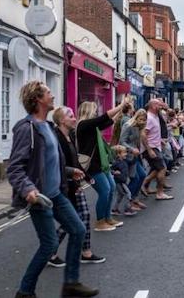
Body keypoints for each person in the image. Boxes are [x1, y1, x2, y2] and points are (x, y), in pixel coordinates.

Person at [7, 81, 98, 298]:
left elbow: (49, 161)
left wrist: (68, 171)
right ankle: (25, 292)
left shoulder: (48, 127)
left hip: (57, 194)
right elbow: (15, 168)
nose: (52, 95)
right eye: (48, 92)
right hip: (40, 198)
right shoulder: (26, 128)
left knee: (77, 229)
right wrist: (28, 190)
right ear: (38, 99)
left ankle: (71, 283)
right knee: (49, 245)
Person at [48, 106, 106, 268]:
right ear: (61, 121)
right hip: (63, 186)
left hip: (73, 184)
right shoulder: (57, 139)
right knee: (71, 221)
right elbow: (58, 165)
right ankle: (50, 252)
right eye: (70, 116)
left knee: (84, 215)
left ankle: (85, 252)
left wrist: (85, 178)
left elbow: (75, 161)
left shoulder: (69, 136)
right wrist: (72, 177)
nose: (74, 118)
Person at [76, 98, 128, 231]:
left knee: (110, 189)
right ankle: (100, 222)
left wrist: (121, 109)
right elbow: (104, 117)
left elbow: (109, 121)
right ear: (88, 111)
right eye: (94, 111)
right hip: (91, 166)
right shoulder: (83, 125)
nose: (96, 113)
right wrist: (120, 105)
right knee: (104, 191)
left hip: (101, 164)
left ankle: (107, 217)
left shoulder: (92, 126)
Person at [142, 99, 174, 200]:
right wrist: (149, 149)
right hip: (151, 148)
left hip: (156, 146)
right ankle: (159, 193)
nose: (160, 107)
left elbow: (152, 132)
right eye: (158, 105)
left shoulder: (155, 116)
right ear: (153, 106)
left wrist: (160, 140)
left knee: (155, 168)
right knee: (162, 168)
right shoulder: (150, 118)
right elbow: (143, 134)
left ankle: (145, 186)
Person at [119, 109, 148, 209]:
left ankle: (134, 199)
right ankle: (128, 202)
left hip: (136, 157)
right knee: (135, 179)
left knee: (143, 175)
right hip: (127, 156)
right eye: (141, 119)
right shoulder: (128, 125)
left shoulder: (139, 127)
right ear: (136, 117)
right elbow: (122, 141)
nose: (142, 122)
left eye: (144, 120)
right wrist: (131, 149)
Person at [111, 145, 138, 216]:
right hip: (119, 182)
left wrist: (135, 156)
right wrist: (114, 172)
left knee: (121, 195)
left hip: (123, 181)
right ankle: (127, 209)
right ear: (118, 154)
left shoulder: (125, 160)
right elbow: (110, 169)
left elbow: (132, 162)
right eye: (124, 152)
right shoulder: (116, 163)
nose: (126, 154)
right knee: (128, 194)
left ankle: (114, 209)